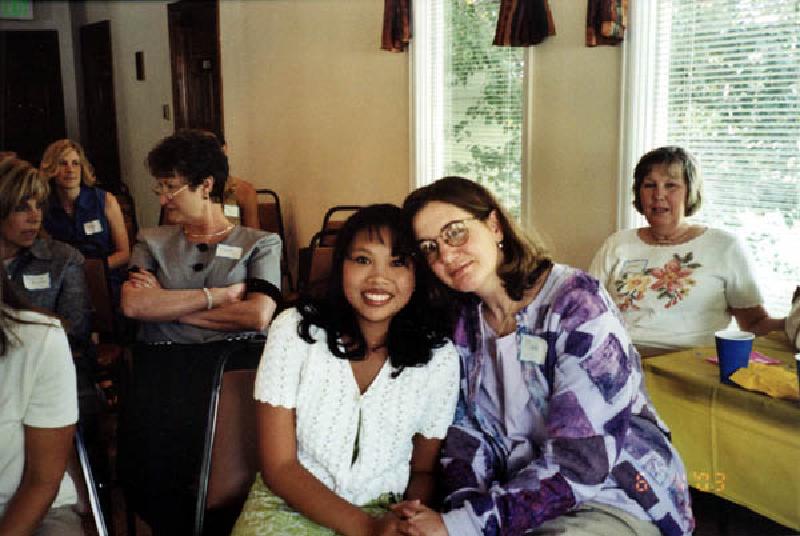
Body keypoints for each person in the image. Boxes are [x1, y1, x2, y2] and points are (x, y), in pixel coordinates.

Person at [398, 176, 694, 535]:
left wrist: (467, 524)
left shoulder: (577, 304)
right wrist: (461, 511)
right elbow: (463, 436)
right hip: (504, 498)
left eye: (455, 232)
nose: (445, 254)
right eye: (429, 247)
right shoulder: (463, 323)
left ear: (494, 225)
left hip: (609, 496)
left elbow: (583, 463)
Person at [231, 204, 459, 536]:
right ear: (341, 266)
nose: (378, 278)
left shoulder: (438, 356)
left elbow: (423, 471)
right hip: (289, 504)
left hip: (386, 508)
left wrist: (408, 520)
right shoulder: (295, 330)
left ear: (417, 273)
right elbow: (279, 466)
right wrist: (367, 529)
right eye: (363, 260)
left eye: (398, 263)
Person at [118, 129, 282, 534]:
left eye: (171, 187)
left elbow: (258, 315)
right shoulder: (150, 241)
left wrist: (170, 310)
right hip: (163, 371)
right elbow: (134, 304)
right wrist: (218, 296)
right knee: (156, 475)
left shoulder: (260, 244)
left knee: (223, 475)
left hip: (230, 372)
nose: (162, 199)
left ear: (206, 185)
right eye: (160, 187)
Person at [589, 146, 784, 356]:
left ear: (690, 192)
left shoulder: (724, 246)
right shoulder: (617, 243)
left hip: (689, 361)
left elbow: (754, 322)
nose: (658, 195)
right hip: (617, 358)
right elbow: (585, 310)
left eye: (671, 185)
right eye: (649, 185)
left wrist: (792, 323)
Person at [0, 157, 81, 535]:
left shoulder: (61, 259)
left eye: (38, 206)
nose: (34, 217)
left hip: (53, 366)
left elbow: (75, 328)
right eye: (21, 207)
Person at [40, 139, 130, 300]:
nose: (70, 170)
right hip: (64, 279)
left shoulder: (105, 200)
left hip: (106, 276)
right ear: (52, 168)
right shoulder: (43, 207)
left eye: (75, 163)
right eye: (63, 163)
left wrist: (92, 271)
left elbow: (124, 253)